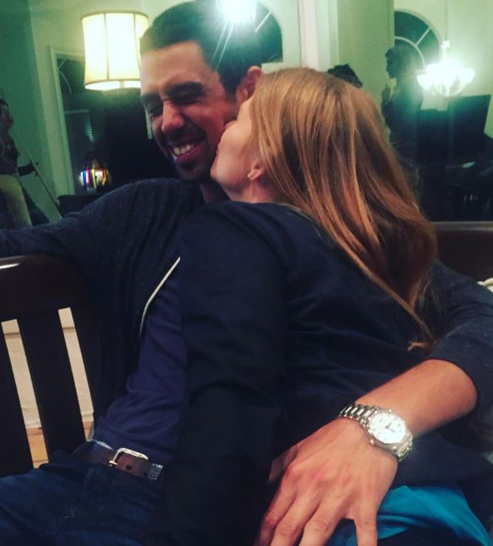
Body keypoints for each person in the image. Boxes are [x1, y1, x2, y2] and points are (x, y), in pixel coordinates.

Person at [0, 3, 492, 545]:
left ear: (248, 90)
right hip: (72, 476)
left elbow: (481, 319)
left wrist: (372, 426)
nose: (166, 122)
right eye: (152, 105)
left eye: (186, 95)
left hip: (185, 503)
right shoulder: (142, 211)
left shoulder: (338, 241)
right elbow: (1, 244)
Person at [147, 68, 493, 546]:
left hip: (333, 516)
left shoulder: (232, 227)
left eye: (241, 119)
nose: (226, 127)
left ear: (261, 162)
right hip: (438, 501)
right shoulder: (376, 257)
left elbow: (231, 403)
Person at [381, 44, 423, 162]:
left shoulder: (409, 89)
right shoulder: (405, 87)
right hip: (402, 147)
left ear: (402, 63)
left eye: (390, 63)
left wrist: (385, 102)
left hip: (405, 149)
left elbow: (403, 124)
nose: (387, 68)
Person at [0, 97, 36, 178]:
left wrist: (27, 169)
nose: (11, 119)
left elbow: (12, 172)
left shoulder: (8, 141)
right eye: (6, 114)